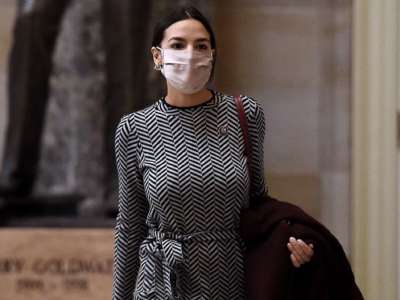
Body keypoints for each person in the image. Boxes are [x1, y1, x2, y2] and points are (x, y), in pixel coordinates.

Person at [112, 6, 314, 300]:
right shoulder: (135, 129)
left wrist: (290, 242)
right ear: (158, 56)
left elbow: (259, 204)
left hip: (230, 280)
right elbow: (130, 226)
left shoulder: (244, 114)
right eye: (178, 45)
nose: (190, 54)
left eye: (201, 45)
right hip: (162, 284)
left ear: (212, 55)